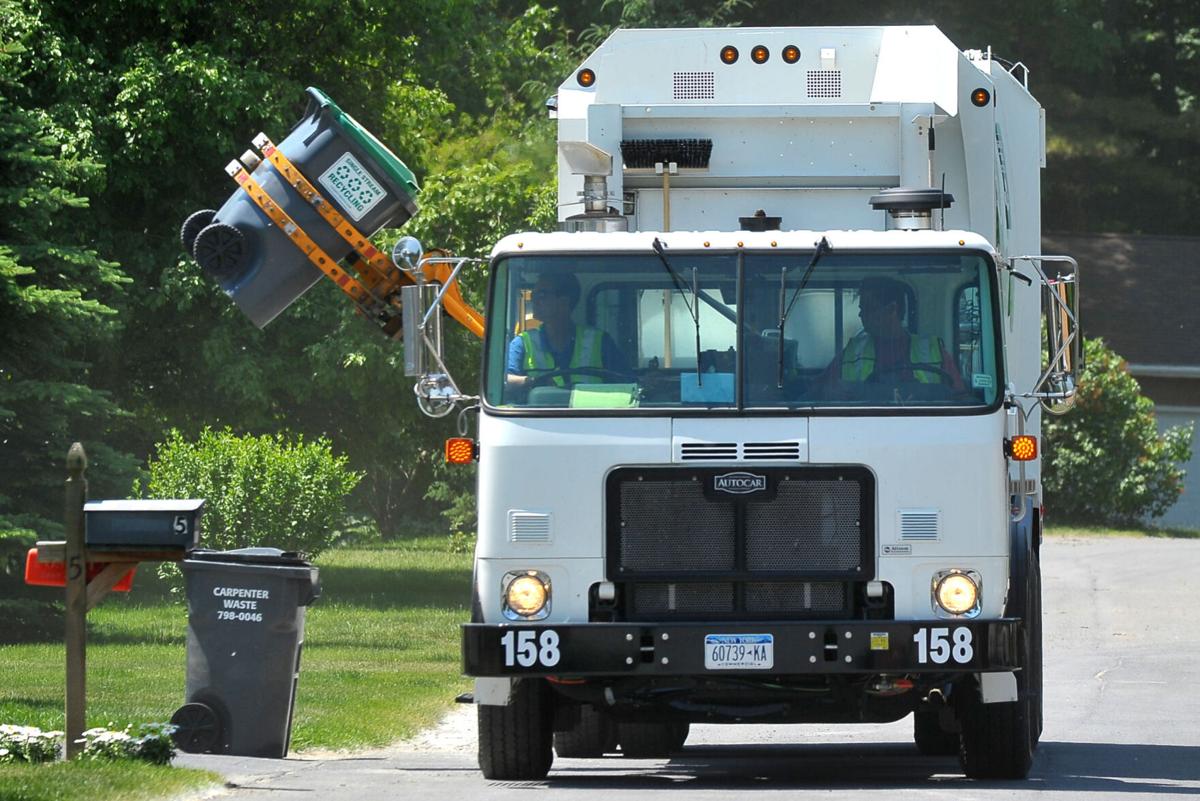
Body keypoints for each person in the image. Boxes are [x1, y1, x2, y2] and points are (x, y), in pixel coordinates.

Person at [829, 277, 966, 393]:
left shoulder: (933, 350)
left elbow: (959, 399)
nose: (861, 314)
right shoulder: (853, 351)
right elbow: (821, 390)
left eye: (869, 308)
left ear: (892, 309)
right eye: (861, 309)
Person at [506, 272, 627, 388]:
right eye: (533, 295)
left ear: (564, 302)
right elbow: (503, 381)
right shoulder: (523, 343)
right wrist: (533, 382)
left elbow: (626, 380)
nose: (534, 300)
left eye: (541, 295)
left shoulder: (600, 342)